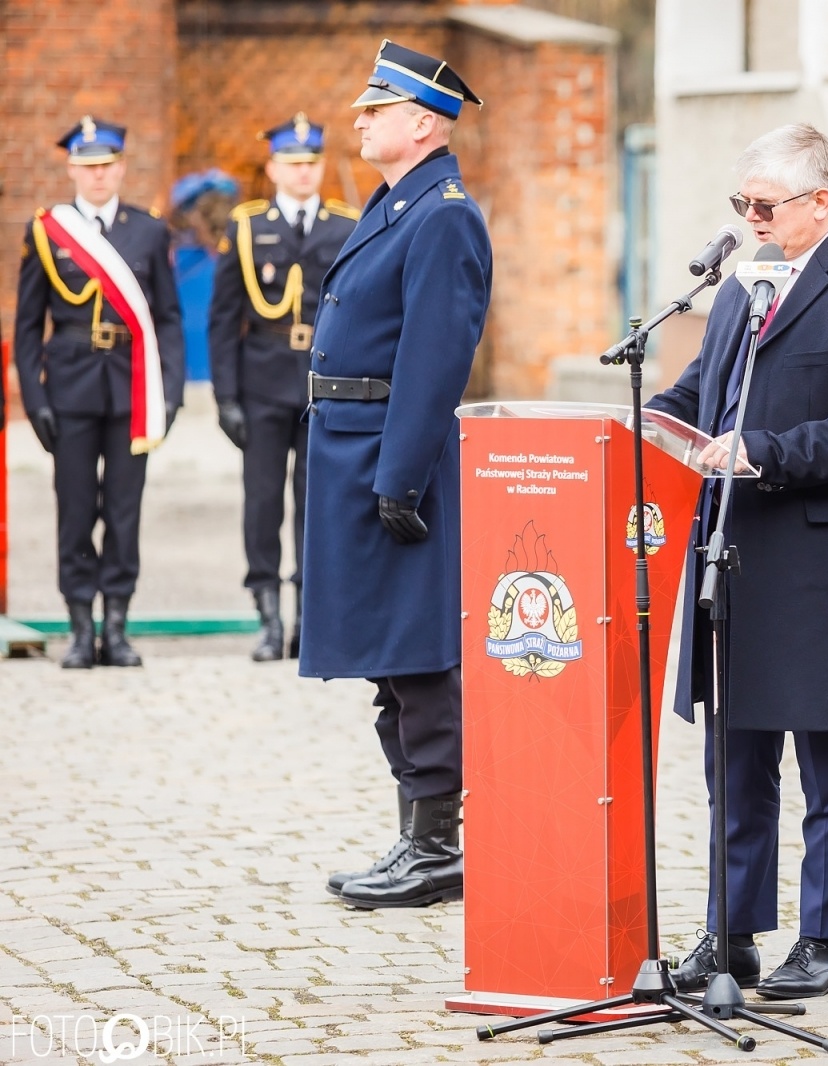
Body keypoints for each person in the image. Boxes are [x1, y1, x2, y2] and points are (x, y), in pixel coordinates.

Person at [647, 124, 828, 999]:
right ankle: (729, 933)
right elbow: (700, 393)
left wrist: (758, 451)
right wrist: (638, 420)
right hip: (733, 558)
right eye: (741, 205)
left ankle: (825, 940)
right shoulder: (740, 289)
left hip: (823, 564)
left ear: (821, 203)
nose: (750, 219)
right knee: (733, 758)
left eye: (763, 205)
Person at [299, 41, 491, 910]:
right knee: (386, 655)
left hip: (387, 454)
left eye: (375, 110)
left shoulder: (443, 212)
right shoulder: (399, 202)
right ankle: (419, 836)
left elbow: (436, 355)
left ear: (422, 123)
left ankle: (438, 846)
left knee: (415, 657)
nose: (361, 119)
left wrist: (400, 477)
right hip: (352, 447)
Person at [13, 117, 185, 670]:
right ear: (72, 170)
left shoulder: (150, 231)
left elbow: (169, 320)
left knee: (124, 510)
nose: (98, 176)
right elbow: (25, 325)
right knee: (76, 510)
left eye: (107, 165)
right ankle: (80, 626)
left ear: (122, 168)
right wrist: (35, 401)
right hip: (68, 391)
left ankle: (118, 625)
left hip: (133, 392)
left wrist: (173, 392)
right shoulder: (47, 230)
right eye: (87, 167)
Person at [209, 114, 359, 662]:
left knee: (316, 504)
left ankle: (308, 620)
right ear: (272, 167)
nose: (303, 172)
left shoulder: (347, 225)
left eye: (311, 163)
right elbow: (224, 319)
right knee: (263, 503)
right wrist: (225, 396)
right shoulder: (247, 226)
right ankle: (268, 617)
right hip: (264, 383)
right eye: (292, 164)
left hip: (323, 386)